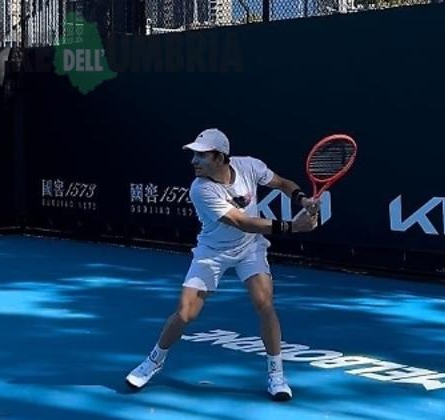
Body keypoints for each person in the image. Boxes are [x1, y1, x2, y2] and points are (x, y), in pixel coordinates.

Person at [126, 128, 320, 401]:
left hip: (250, 248)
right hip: (212, 251)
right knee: (185, 313)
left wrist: (303, 199)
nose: (194, 161)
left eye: (201, 156)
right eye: (193, 155)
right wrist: (293, 227)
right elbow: (241, 221)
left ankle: (276, 376)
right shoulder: (200, 189)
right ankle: (153, 361)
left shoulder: (250, 166)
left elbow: (283, 183)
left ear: (220, 157)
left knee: (264, 304)